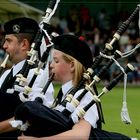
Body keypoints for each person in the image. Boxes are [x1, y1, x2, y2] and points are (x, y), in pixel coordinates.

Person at [10, 34, 131, 140]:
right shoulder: (64, 94)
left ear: (72, 65)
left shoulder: (84, 95)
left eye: (56, 61)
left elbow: (80, 135)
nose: (51, 65)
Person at [0, 17, 54, 138]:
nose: (4, 46)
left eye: (9, 41)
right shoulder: (6, 74)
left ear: (24, 44)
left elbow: (34, 117)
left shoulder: (38, 76)